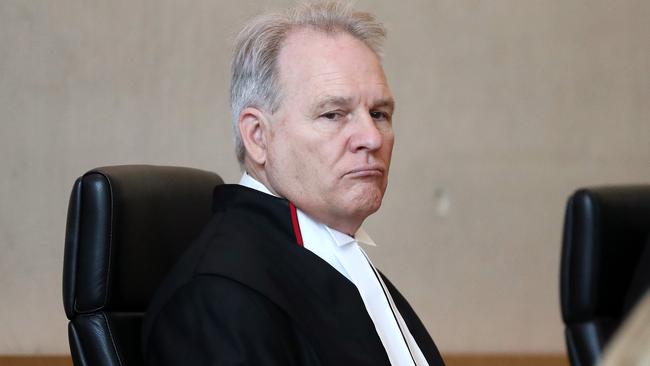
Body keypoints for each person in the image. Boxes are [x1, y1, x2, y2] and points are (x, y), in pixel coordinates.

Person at [142, 1, 445, 365]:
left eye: (379, 114)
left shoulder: (336, 255)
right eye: (333, 114)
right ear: (257, 136)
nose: (372, 137)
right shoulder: (218, 296)